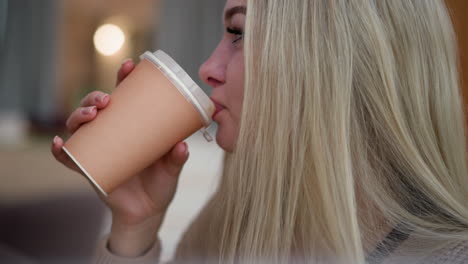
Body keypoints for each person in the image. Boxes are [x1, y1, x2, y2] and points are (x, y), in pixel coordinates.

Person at [51, 0, 468, 263]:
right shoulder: (225, 230)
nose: (207, 68)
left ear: (332, 60)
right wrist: (134, 225)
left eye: (239, 33)